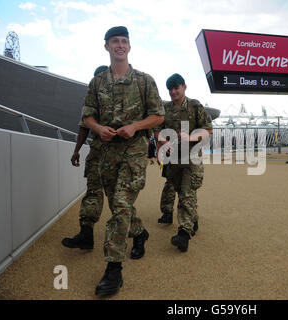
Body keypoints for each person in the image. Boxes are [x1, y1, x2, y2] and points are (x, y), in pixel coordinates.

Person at [81, 26, 164, 296]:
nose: (120, 45)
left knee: (119, 206)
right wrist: (98, 129)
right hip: (107, 154)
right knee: (122, 207)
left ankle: (113, 271)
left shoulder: (144, 80)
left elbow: (158, 116)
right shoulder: (97, 83)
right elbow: (88, 117)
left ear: (129, 47)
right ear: (106, 46)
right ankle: (139, 233)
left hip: (134, 152)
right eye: (115, 41)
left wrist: (136, 126)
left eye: (124, 41)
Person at [155, 73, 212, 252]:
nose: (173, 91)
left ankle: (184, 234)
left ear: (184, 87)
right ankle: (192, 218)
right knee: (181, 191)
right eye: (170, 89)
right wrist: (162, 144)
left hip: (192, 158)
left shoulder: (195, 106)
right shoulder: (164, 109)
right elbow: (157, 130)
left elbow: (208, 130)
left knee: (187, 193)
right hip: (173, 160)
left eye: (176, 87)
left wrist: (192, 136)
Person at [62, 65, 108, 251]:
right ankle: (86, 234)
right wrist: (76, 150)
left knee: (119, 200)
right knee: (93, 192)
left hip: (120, 156)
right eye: (95, 79)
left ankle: (138, 233)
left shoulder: (124, 96)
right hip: (97, 153)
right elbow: (84, 126)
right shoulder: (92, 100)